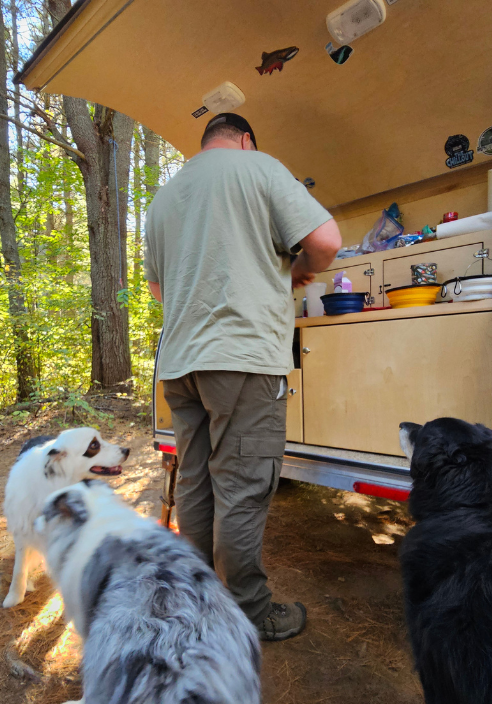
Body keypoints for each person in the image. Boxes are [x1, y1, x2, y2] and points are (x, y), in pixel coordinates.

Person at [144, 113, 342, 641]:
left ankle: (196, 599)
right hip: (243, 358)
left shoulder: (165, 199)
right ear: (246, 139)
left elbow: (159, 291)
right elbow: (326, 241)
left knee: (196, 480)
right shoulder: (258, 168)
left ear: (206, 142)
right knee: (242, 487)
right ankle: (249, 612)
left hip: (180, 362)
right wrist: (297, 269)